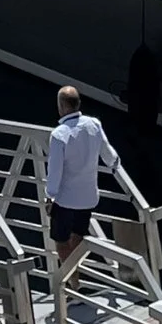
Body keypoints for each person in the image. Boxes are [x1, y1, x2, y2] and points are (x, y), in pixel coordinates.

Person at [45, 85, 114, 271]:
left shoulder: (59, 135)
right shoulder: (94, 124)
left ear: (60, 106)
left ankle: (73, 282)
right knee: (78, 236)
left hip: (65, 200)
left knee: (60, 242)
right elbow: (110, 156)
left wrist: (49, 196)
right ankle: (76, 272)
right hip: (88, 198)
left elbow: (55, 171)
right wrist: (116, 165)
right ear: (79, 104)